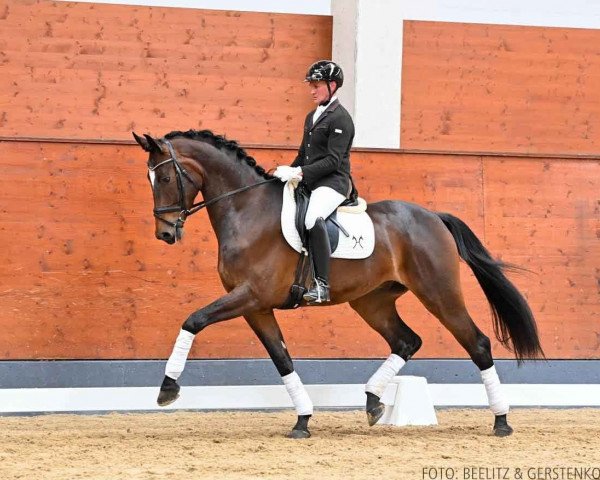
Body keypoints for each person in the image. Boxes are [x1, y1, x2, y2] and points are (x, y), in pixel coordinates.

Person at [273, 60, 356, 304]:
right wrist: (287, 171)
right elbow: (303, 154)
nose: (312, 90)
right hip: (311, 180)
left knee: (312, 218)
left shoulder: (341, 119)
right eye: (311, 85)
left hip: (333, 182)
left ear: (332, 85)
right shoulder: (312, 116)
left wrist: (300, 173)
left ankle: (322, 285)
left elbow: (332, 161)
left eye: (316, 85)